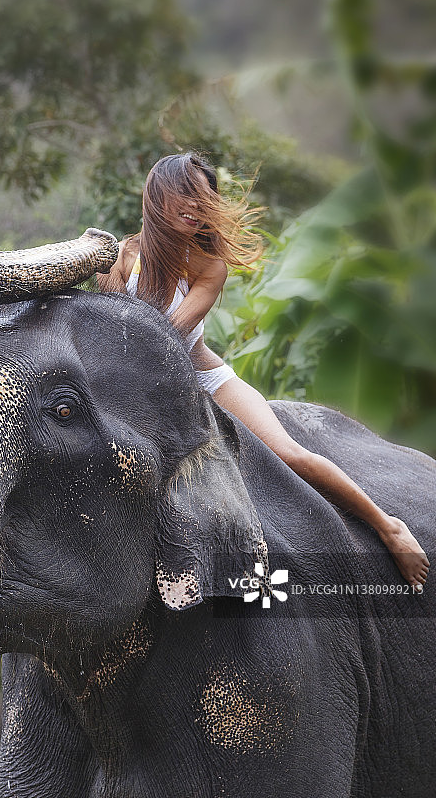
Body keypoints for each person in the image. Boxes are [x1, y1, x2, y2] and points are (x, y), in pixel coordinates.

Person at [97, 151, 429, 588]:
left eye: (204, 198)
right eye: (187, 195)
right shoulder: (124, 256)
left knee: (292, 455)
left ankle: (389, 527)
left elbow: (165, 337)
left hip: (202, 379)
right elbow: (111, 331)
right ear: (157, 195)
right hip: (138, 384)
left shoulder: (209, 266)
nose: (197, 207)